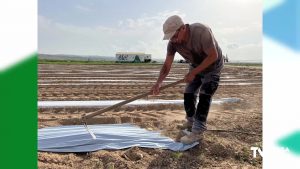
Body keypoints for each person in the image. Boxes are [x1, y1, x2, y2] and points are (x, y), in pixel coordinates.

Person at [151, 15, 224, 144]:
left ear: (183, 28)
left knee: (205, 94)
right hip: (195, 65)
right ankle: (191, 122)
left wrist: (194, 73)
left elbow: (213, 56)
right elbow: (167, 65)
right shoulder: (173, 43)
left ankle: (198, 132)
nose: (173, 40)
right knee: (188, 93)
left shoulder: (201, 31)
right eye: (170, 38)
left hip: (213, 66)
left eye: (174, 36)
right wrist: (158, 82)